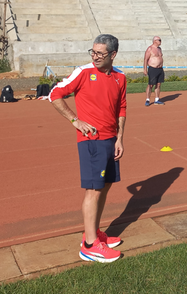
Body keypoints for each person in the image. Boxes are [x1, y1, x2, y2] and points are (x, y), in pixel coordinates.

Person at [49, 34, 127, 263]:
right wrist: (76, 121)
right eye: (92, 52)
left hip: (111, 140)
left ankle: (93, 232)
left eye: (100, 53)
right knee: (93, 190)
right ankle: (90, 245)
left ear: (113, 55)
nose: (95, 57)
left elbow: (121, 108)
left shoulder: (120, 77)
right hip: (91, 140)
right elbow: (55, 94)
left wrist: (120, 138)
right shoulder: (83, 72)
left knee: (105, 186)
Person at [143, 36, 165, 106]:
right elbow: (145, 59)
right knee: (151, 84)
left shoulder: (159, 49)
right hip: (153, 68)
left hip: (160, 69)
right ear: (155, 41)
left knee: (158, 84)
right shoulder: (150, 49)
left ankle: (157, 99)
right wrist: (145, 69)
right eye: (159, 40)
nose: (160, 41)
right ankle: (147, 99)